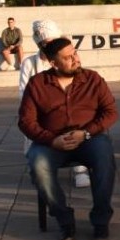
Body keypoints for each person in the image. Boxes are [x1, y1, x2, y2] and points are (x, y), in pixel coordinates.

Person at [18, 37, 118, 240]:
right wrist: (52, 140)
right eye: (68, 57)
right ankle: (64, 219)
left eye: (75, 53)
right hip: (52, 142)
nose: (75, 59)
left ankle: (100, 221)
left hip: (89, 138)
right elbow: (26, 122)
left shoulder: (92, 79)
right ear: (53, 63)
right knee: (37, 164)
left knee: (104, 157)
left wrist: (86, 133)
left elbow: (110, 112)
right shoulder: (37, 84)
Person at [19, 20, 91, 189]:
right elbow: (23, 92)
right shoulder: (29, 63)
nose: (48, 45)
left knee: (77, 124)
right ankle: (40, 165)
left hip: (68, 111)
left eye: (51, 41)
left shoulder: (69, 59)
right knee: (31, 125)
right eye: (44, 43)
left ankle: (80, 169)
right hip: (41, 114)